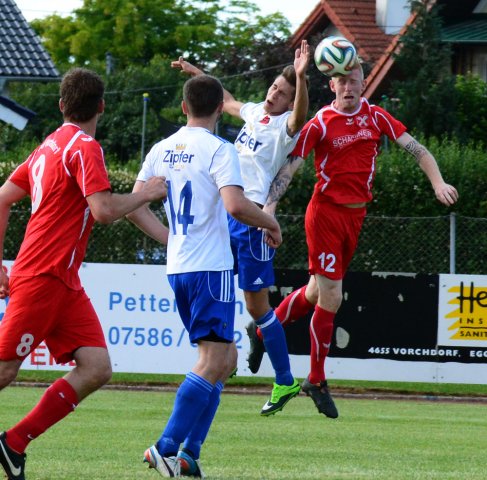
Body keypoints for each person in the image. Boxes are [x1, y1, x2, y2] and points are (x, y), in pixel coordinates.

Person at [247, 62, 459, 418]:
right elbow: (290, 168)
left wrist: (438, 182)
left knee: (315, 292)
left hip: (355, 217)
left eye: (354, 81)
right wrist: (269, 209)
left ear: (364, 84)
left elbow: (417, 149)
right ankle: (316, 380)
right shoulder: (320, 123)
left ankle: (262, 331)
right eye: (342, 82)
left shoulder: (376, 116)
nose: (349, 88)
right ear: (332, 85)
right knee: (332, 296)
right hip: (325, 215)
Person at [0, 67, 167, 480]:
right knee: (3, 369)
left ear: (61, 105)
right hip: (42, 276)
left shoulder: (47, 146)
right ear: (102, 106)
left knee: (96, 367)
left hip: (64, 282)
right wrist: (147, 192)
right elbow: (104, 210)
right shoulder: (85, 146)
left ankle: (13, 443)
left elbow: (2, 198)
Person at [127, 73, 282, 478]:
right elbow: (235, 206)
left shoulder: (161, 149)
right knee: (213, 360)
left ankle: (189, 454)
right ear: (219, 109)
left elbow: (136, 205)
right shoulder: (220, 149)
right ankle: (165, 447)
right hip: (210, 269)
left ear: (184, 107)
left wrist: (170, 238)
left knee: (225, 359)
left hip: (179, 268)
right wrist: (271, 222)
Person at [170, 39, 311, 416]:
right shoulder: (255, 113)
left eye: (282, 93)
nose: (274, 94)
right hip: (226, 218)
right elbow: (226, 100)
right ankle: (222, 360)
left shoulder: (285, 127)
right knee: (219, 291)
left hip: (252, 221)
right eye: (275, 87)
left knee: (258, 308)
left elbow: (300, 115)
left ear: (290, 102)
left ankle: (284, 379)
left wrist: (300, 77)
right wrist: (198, 74)